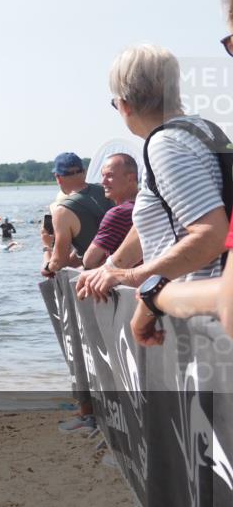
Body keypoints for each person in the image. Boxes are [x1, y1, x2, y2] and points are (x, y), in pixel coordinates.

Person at [75, 45, 229, 347]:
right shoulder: (202, 130)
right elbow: (157, 213)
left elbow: (212, 235)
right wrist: (111, 266)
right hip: (203, 307)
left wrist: (135, 280)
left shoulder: (166, 146)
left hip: (196, 325)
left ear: (126, 104)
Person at [41, 153, 112, 279]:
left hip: (99, 278)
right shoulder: (107, 190)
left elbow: (58, 263)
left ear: (58, 177)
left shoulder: (62, 211)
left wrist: (47, 248)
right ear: (84, 172)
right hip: (126, 264)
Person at [81, 153, 139, 270]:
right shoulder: (150, 206)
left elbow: (89, 261)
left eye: (110, 176)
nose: (103, 182)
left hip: (125, 284)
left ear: (130, 178)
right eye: (103, 176)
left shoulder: (118, 213)